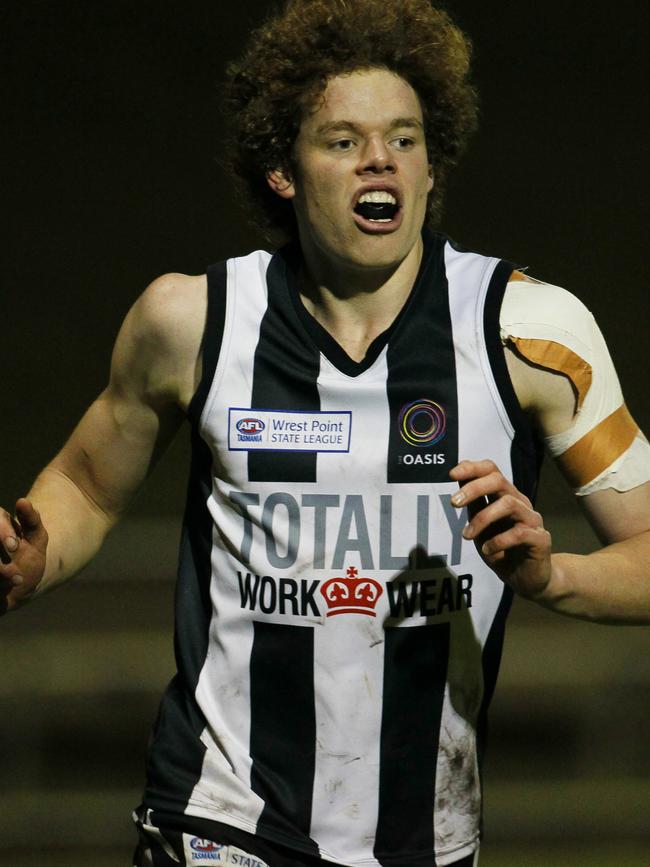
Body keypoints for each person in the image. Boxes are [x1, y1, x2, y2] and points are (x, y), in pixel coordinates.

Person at [2, 1, 649, 865]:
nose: (379, 159)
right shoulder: (191, 321)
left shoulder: (531, 333)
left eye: (404, 139)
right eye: (343, 141)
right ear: (281, 168)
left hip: (429, 835)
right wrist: (32, 555)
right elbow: (85, 483)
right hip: (219, 817)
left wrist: (550, 573)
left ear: (430, 167)